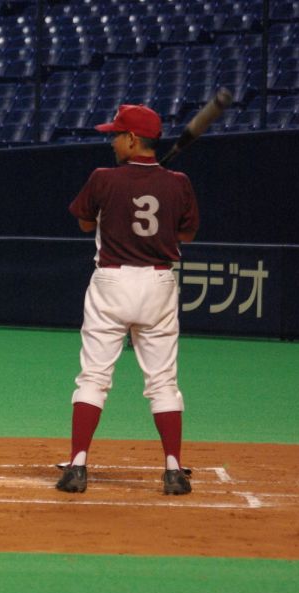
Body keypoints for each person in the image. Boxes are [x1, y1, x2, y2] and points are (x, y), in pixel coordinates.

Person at [56, 104, 200, 496]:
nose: (113, 141)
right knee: (163, 382)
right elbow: (185, 234)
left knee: (93, 377)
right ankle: (173, 470)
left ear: (133, 139)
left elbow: (85, 222)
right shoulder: (178, 183)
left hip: (112, 282)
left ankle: (78, 466)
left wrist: (116, 208)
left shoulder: (104, 179)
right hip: (158, 285)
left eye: (117, 135)